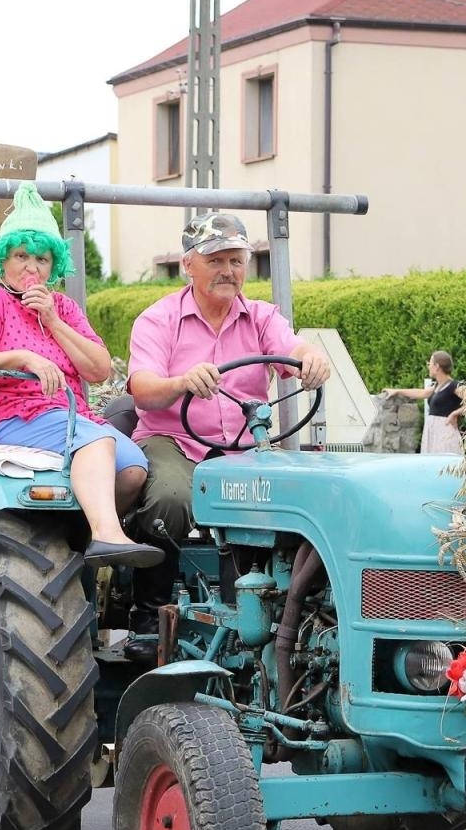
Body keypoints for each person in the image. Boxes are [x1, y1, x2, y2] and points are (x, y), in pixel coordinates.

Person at [124, 211, 332, 658]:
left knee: (291, 503)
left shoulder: (261, 318)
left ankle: (264, 616)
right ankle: (149, 614)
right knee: (173, 499)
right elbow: (142, 388)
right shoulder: (158, 320)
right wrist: (180, 382)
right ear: (189, 265)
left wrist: (311, 357)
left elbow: (292, 349)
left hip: (242, 447)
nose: (228, 271)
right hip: (173, 440)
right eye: (216, 259)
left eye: (236, 260)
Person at [0, 182, 161, 569]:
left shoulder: (62, 307)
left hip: (67, 415)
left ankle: (78, 542)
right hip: (7, 414)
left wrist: (52, 321)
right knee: (98, 441)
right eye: (21, 256)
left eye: (42, 260)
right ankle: (108, 536)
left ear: (55, 265)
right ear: (3, 259)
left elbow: (98, 370)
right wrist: (22, 357)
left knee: (132, 468)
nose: (31, 268)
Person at [382, 350, 466, 454]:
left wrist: (454, 413)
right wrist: (397, 391)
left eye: (430, 363)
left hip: (445, 432)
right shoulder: (437, 386)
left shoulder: (453, 386)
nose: (428, 366)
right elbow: (421, 393)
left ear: (437, 366)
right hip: (433, 432)